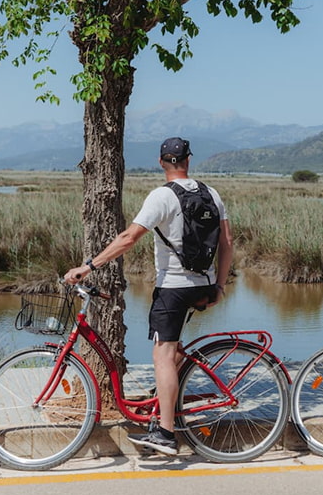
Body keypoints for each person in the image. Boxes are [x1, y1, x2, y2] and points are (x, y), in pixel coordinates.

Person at [64, 137, 233, 456]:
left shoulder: (161, 196)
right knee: (173, 353)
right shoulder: (212, 193)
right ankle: (168, 400)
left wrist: (88, 267)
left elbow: (129, 238)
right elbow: (228, 241)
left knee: (162, 357)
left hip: (173, 288)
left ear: (161, 162)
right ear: (188, 160)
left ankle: (166, 434)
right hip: (204, 285)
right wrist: (220, 285)